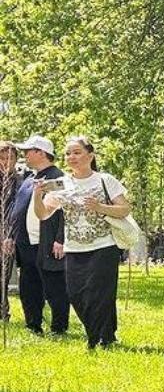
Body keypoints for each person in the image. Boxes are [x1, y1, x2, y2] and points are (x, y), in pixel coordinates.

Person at [33, 136, 131, 349]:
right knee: (77, 294)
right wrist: (37, 196)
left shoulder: (104, 179)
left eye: (76, 152)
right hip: (74, 248)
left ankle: (98, 339)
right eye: (68, 153)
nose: (71, 157)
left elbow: (125, 209)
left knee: (100, 294)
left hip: (104, 246)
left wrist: (100, 207)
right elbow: (43, 215)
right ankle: (101, 334)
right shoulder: (61, 184)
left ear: (90, 155)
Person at [9, 135, 69, 335]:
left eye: (28, 151)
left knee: (54, 287)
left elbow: (65, 212)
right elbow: (17, 209)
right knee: (29, 286)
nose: (24, 155)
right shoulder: (29, 178)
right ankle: (32, 325)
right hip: (25, 242)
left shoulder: (58, 178)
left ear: (41, 153)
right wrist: (11, 236)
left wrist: (60, 239)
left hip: (47, 242)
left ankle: (59, 328)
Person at [1, 141, 28, 322]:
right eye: (2, 158)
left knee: (6, 273)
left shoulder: (22, 180)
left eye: (10, 158)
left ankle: (3, 312)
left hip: (16, 233)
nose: (5, 162)